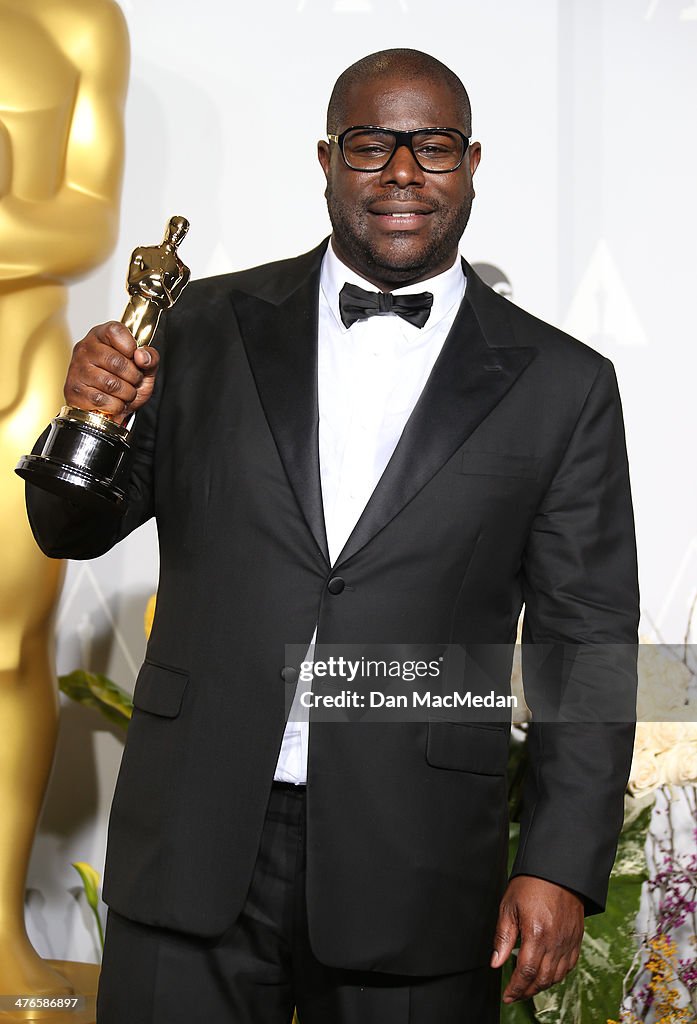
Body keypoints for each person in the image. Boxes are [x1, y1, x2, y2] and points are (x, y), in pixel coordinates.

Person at [24, 49, 639, 1024]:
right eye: (370, 145)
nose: (402, 172)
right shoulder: (207, 325)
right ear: (325, 159)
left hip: (420, 863)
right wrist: (84, 422)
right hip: (193, 836)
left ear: (472, 161)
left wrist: (559, 864)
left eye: (432, 147)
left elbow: (588, 641)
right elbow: (70, 530)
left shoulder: (562, 386)